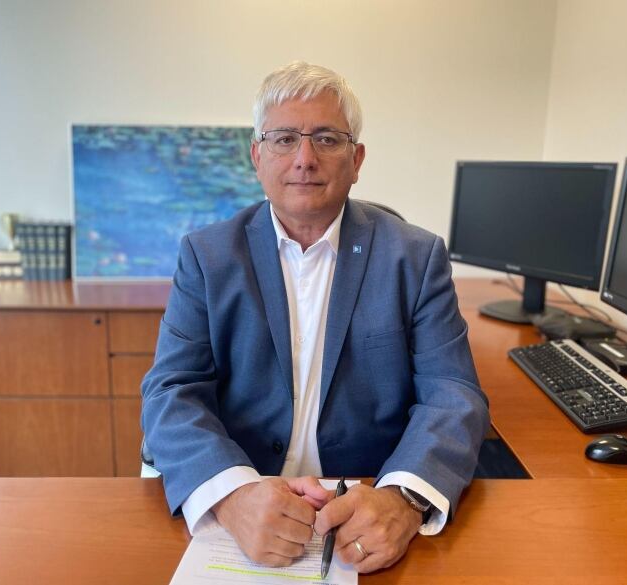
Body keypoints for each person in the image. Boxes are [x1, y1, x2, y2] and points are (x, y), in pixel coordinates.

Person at [141, 61, 490, 573]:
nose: (304, 159)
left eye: (327, 138)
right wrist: (232, 495)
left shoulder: (415, 258)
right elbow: (170, 390)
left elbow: (453, 393)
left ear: (357, 159)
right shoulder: (207, 256)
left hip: (364, 501)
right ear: (257, 156)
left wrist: (402, 499)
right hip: (248, 499)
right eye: (284, 139)